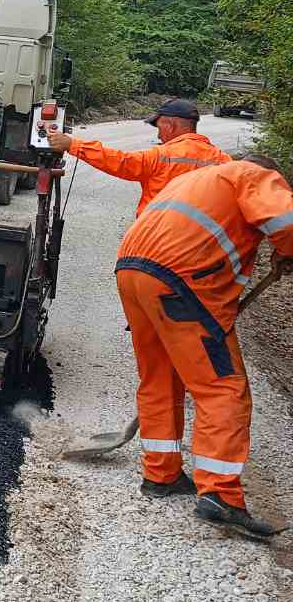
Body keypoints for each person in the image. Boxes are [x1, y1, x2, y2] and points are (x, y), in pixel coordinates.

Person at [115, 153, 293, 539]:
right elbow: (287, 222)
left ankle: (160, 474)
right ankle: (221, 495)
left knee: (160, 376)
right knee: (223, 388)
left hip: (132, 269)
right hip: (180, 279)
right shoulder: (253, 174)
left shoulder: (200, 180)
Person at [47, 98, 230, 216]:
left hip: (156, 241)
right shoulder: (224, 161)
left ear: (171, 126)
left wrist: (73, 145)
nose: (158, 136)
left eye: (159, 128)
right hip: (201, 251)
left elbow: (120, 162)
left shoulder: (160, 156)